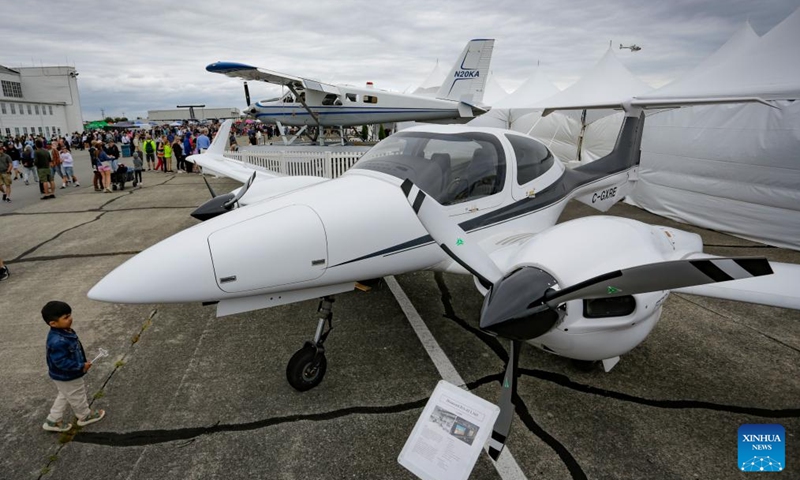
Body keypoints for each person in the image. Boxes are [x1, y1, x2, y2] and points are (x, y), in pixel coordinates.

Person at [41, 301, 106, 432]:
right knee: (78, 395)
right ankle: (84, 416)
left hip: (62, 376)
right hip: (68, 375)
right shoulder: (58, 341)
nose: (70, 318)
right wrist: (80, 366)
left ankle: (53, 420)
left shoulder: (64, 331)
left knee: (64, 395)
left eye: (69, 315)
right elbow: (61, 362)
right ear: (53, 323)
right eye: (65, 317)